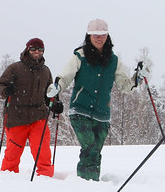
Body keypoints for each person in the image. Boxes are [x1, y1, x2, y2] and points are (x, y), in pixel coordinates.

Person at [46, 19, 137, 181]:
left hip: (102, 115)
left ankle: (92, 184)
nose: (99, 38)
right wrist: (57, 86)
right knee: (90, 149)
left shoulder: (114, 60)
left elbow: (125, 85)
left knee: (95, 153)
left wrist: (139, 79)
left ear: (107, 35)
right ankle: (85, 184)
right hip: (80, 110)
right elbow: (66, 76)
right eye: (95, 34)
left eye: (102, 34)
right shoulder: (80, 56)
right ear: (88, 36)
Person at [0, 38, 60, 178]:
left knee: (42, 151)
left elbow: (49, 94)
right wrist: (5, 91)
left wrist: (55, 104)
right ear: (27, 50)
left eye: (40, 49)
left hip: (38, 116)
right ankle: (7, 179)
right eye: (34, 49)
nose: (37, 52)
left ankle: (46, 178)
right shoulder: (15, 68)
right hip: (16, 117)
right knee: (12, 154)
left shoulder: (45, 71)